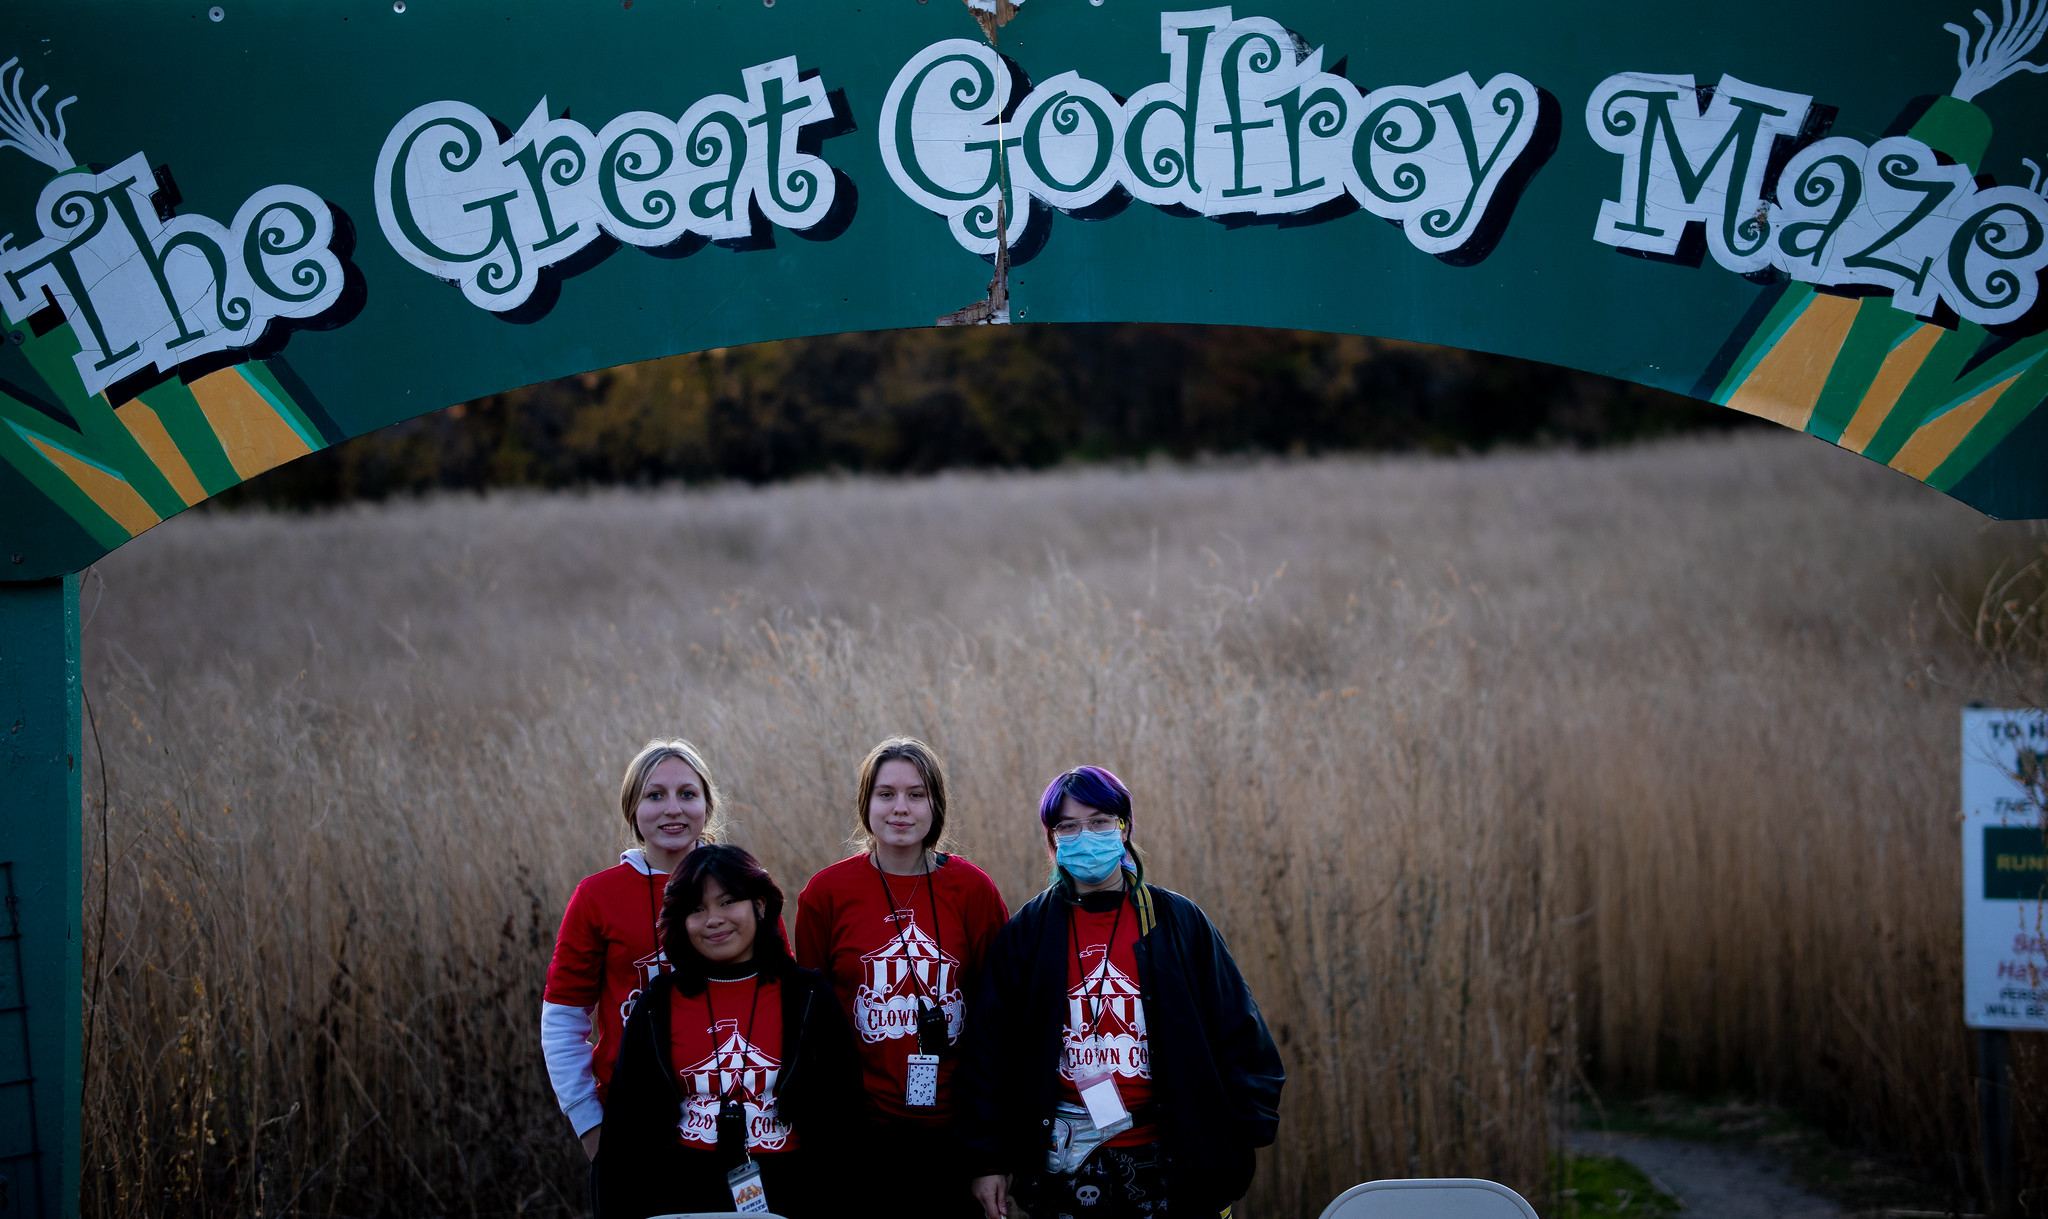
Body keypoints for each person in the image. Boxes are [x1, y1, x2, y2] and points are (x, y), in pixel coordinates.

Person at [959, 765, 1284, 1219]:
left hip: (1172, 1159)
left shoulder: (1177, 922)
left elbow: (1242, 1031)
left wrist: (1235, 1137)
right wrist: (988, 1159)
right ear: (1053, 840)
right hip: (1063, 1164)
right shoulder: (1028, 933)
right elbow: (987, 1054)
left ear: (1124, 828)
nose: (1085, 837)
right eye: (1068, 827)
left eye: (1099, 822)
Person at [795, 737, 1010, 1218]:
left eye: (916, 794)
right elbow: (810, 1028)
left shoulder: (972, 890)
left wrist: (989, 1155)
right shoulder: (826, 894)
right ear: (866, 803)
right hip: (860, 1133)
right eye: (886, 794)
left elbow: (997, 1026)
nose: (900, 808)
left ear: (936, 805)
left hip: (954, 1133)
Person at [597, 844, 862, 1219]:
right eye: (696, 908)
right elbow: (627, 1128)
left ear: (760, 905)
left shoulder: (808, 996)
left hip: (793, 1192)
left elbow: (845, 1121)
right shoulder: (657, 1003)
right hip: (680, 1195)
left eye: (728, 902)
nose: (713, 920)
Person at [541, 739, 718, 1175]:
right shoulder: (598, 897)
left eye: (687, 794)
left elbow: (781, 998)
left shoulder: (742, 887)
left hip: (733, 1119)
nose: (673, 809)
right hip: (631, 1122)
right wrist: (591, 1126)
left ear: (707, 805)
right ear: (632, 810)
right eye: (655, 795)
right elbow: (563, 1019)